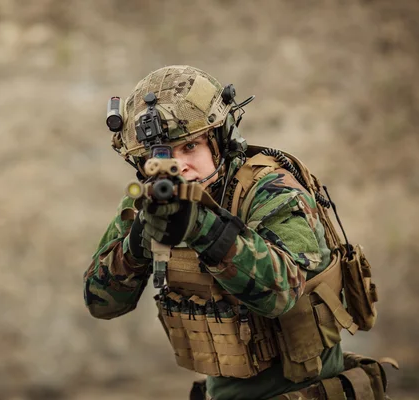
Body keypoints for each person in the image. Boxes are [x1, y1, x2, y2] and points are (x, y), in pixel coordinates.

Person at [83, 65, 392, 400]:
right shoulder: (148, 201)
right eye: (160, 156)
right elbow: (101, 304)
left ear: (221, 138)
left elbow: (282, 293)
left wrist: (204, 229)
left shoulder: (270, 189)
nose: (178, 166)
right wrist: (137, 246)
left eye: (189, 147)